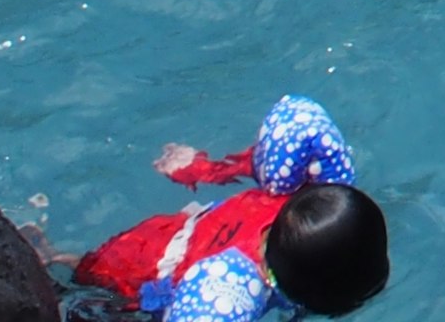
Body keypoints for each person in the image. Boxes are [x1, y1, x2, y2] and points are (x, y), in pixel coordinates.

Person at [71, 94, 391, 321]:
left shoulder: (301, 193)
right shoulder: (229, 290)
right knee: (84, 294)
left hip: (174, 231)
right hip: (138, 270)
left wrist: (204, 169)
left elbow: (286, 135)